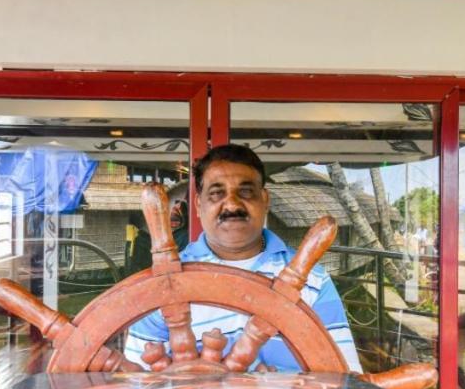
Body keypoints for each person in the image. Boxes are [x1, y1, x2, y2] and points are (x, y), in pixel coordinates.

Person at [124, 144, 361, 372]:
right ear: (198, 205)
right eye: (216, 194)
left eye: (246, 192)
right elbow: (136, 384)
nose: (232, 204)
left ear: (265, 200)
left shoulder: (315, 282)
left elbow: (344, 376)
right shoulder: (162, 286)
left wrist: (282, 387)